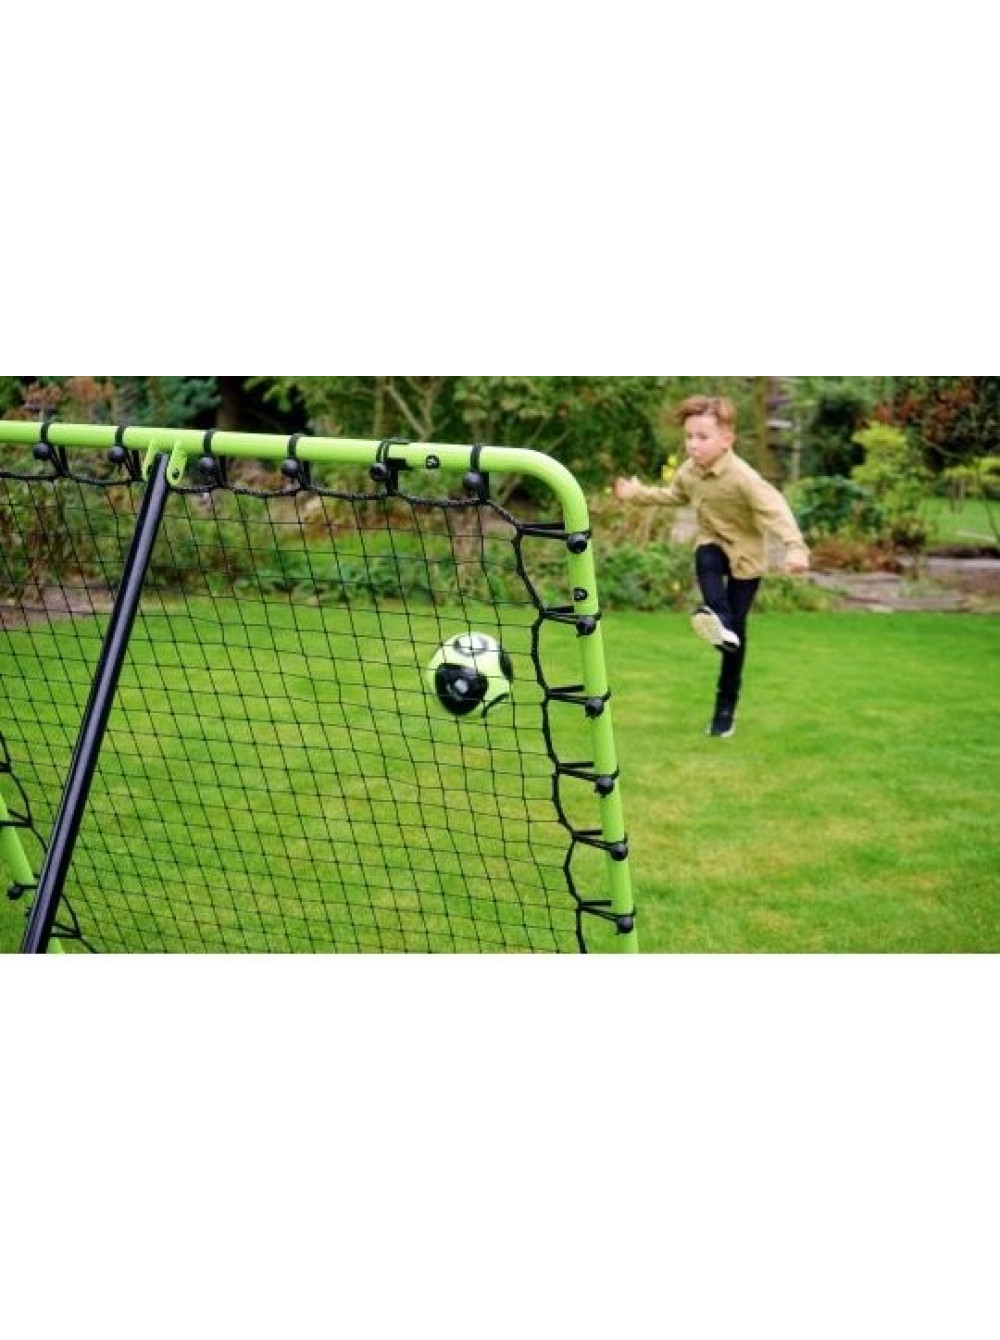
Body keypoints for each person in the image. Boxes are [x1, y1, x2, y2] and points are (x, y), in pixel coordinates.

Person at [615, 394, 810, 739]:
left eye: (702, 437)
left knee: (734, 641)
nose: (693, 444)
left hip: (747, 559)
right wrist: (637, 494)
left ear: (726, 440)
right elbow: (674, 495)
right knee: (705, 556)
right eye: (689, 436)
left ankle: (725, 708)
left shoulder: (743, 477)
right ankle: (719, 618)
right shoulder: (689, 473)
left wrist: (795, 548)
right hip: (714, 544)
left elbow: (775, 510)